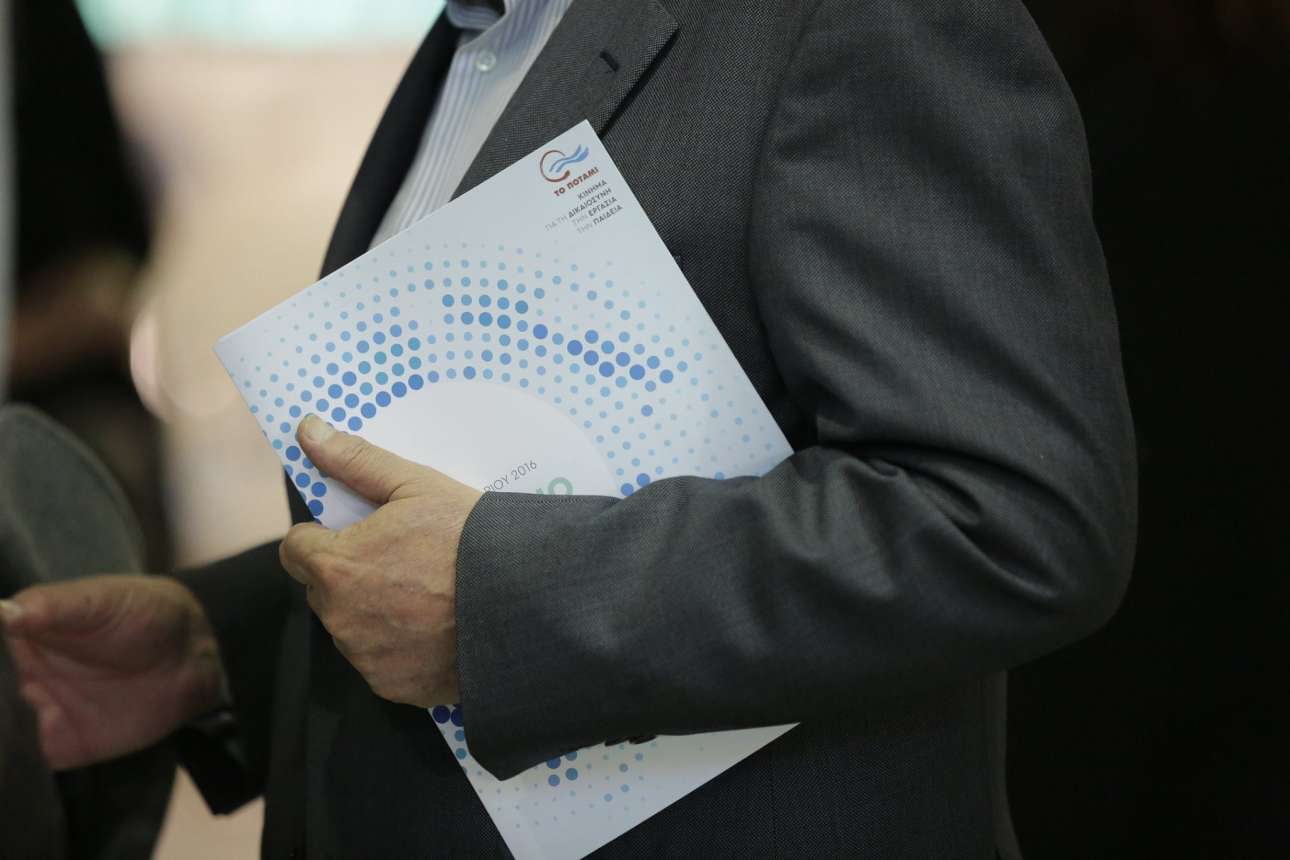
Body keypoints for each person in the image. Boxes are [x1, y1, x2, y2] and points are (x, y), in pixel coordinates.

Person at [1, 1, 1137, 857]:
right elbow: (492, 496)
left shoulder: (855, 19)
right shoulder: (476, 40)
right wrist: (223, 645)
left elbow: (1010, 516)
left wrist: (499, 604)